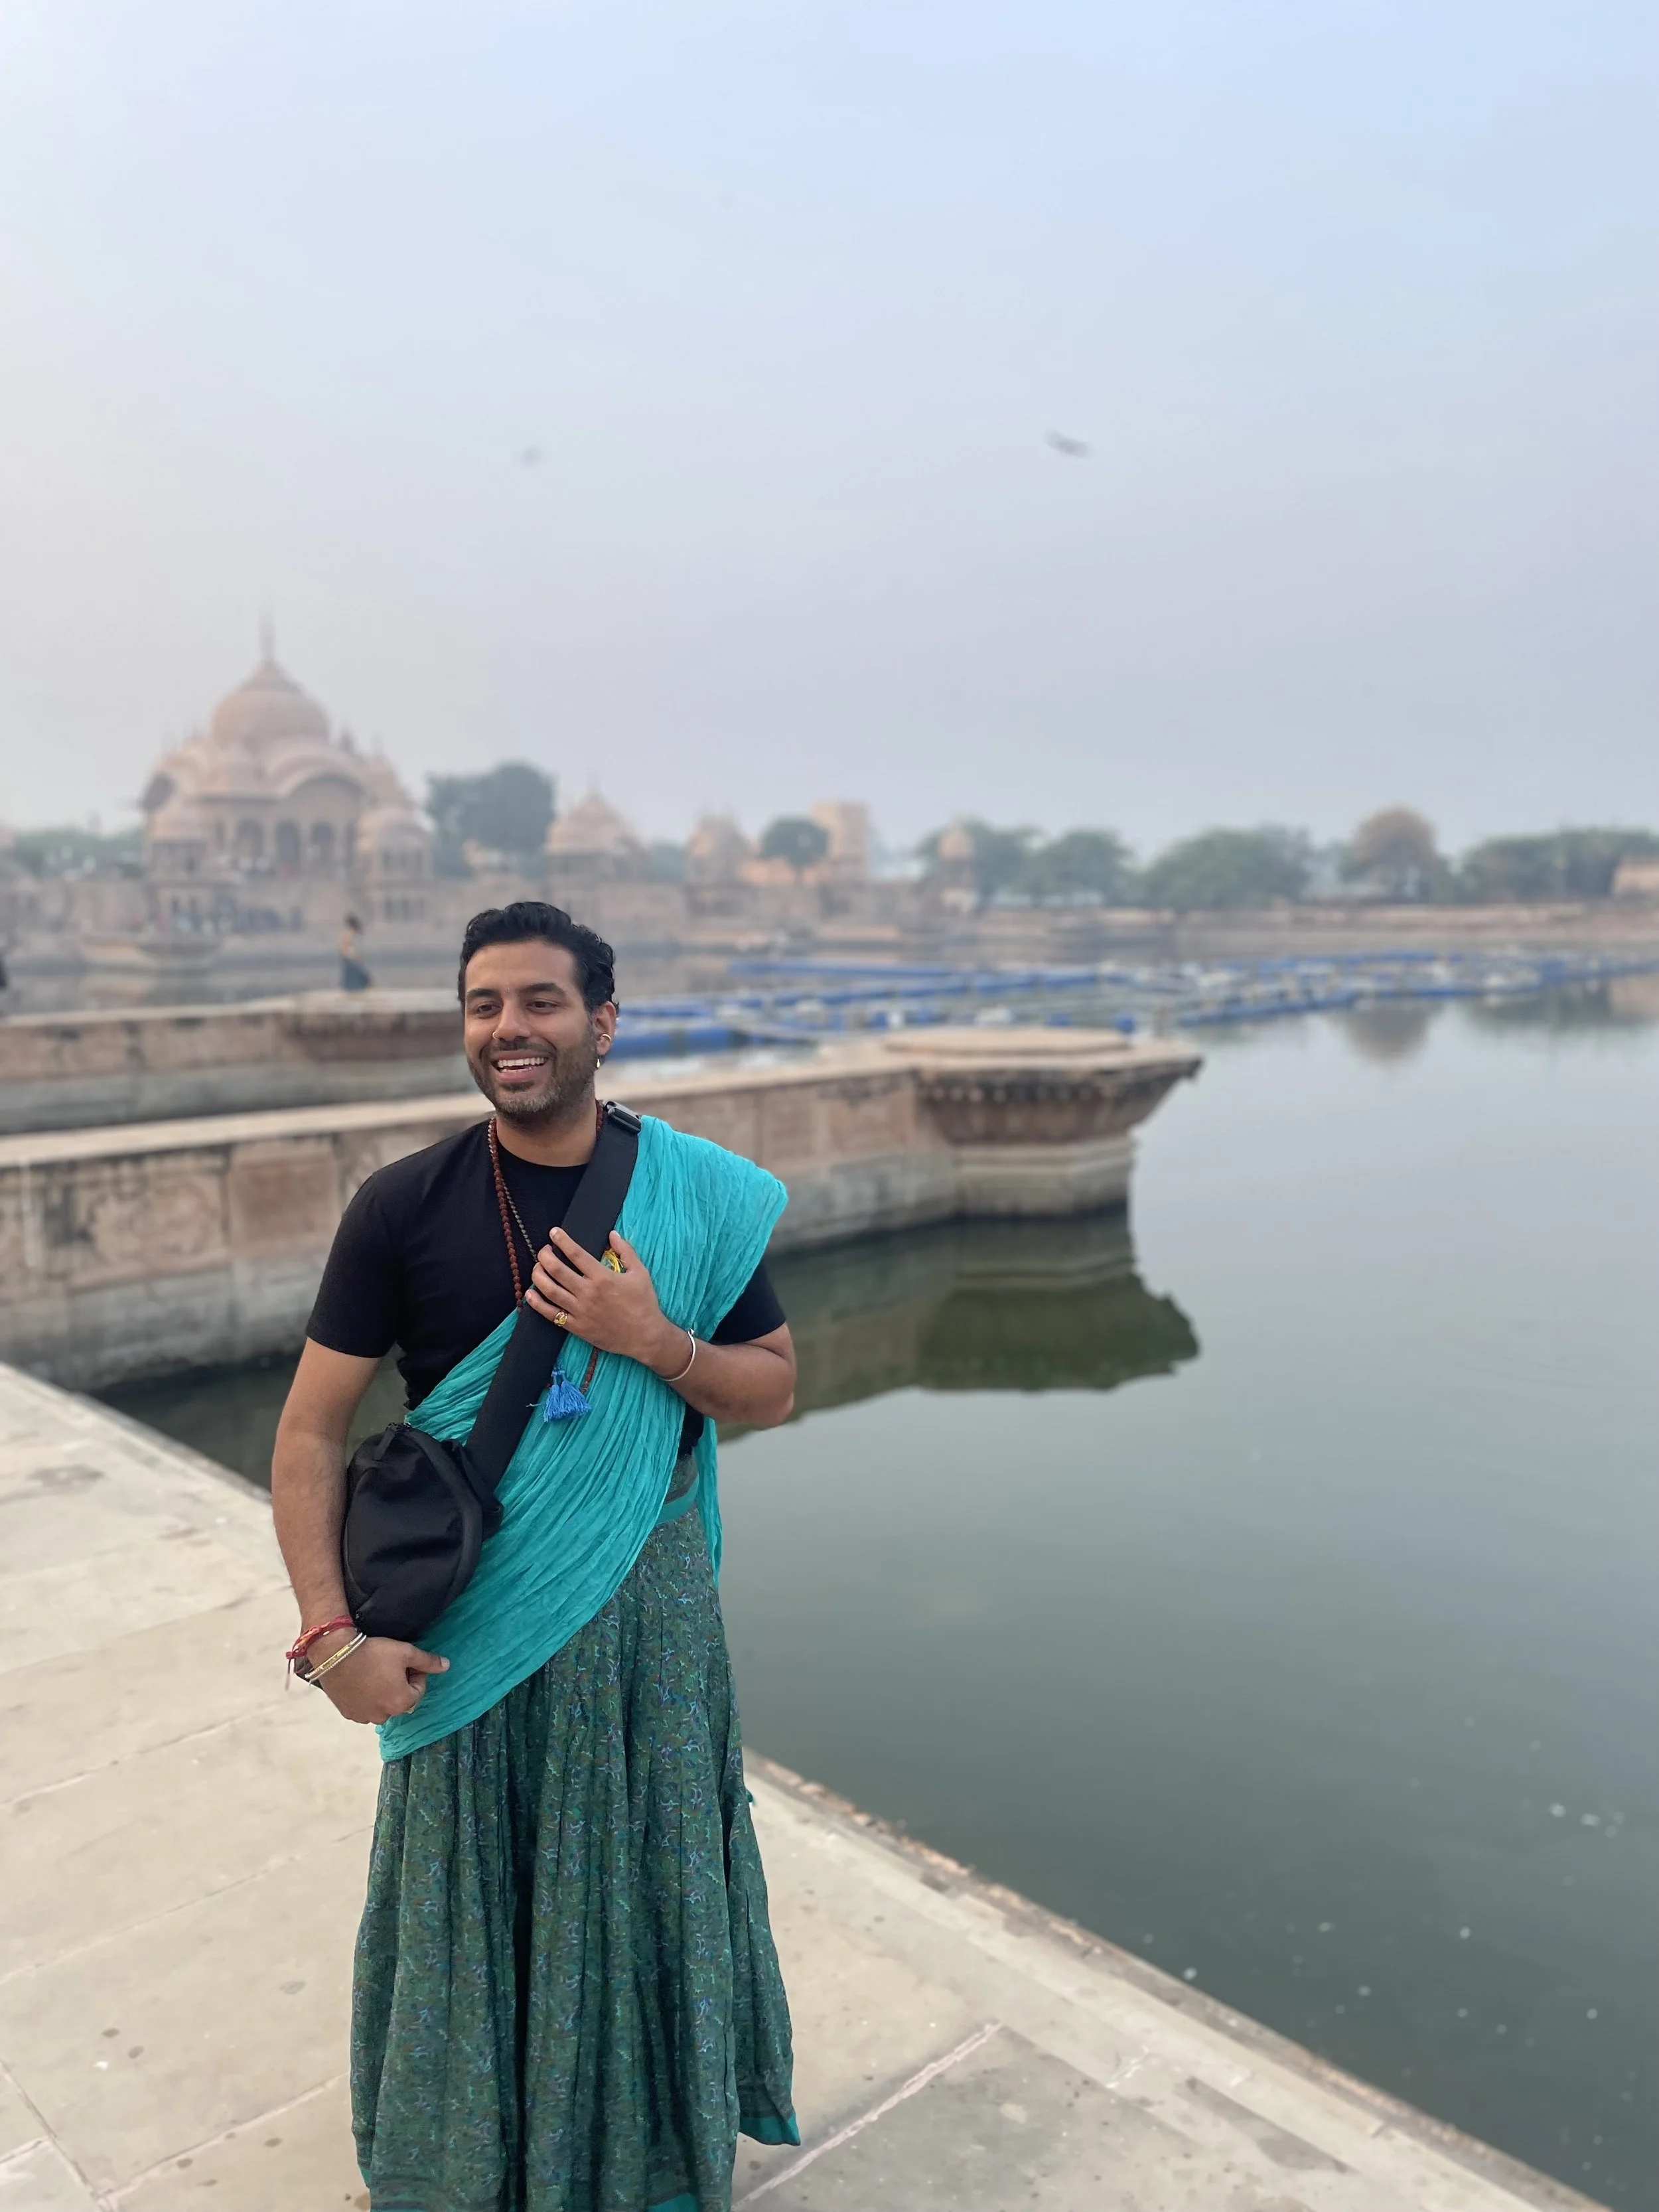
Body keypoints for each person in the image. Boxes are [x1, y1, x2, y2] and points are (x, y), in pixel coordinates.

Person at [271, 901, 800, 2211]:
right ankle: (467, 2166)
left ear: (601, 1020)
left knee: (648, 1872)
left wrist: (651, 1337)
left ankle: (646, 2158)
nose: (508, 1027)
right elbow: (305, 1432)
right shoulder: (401, 1207)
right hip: (469, 1623)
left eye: (540, 1001)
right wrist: (330, 1636)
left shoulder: (696, 1192)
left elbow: (770, 1388)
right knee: (473, 1892)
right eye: (482, 1003)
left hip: (650, 1617)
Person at [340, 911, 372, 991]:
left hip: (349, 956)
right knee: (354, 974)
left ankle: (355, 988)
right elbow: (347, 946)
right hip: (350, 956)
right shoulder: (348, 933)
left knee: (354, 974)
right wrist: (354, 955)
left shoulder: (349, 933)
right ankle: (354, 988)